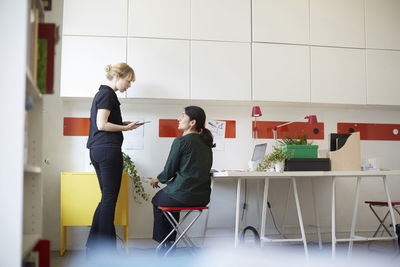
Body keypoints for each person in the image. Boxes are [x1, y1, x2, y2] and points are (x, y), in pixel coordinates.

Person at [86, 63, 141, 253]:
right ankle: (105, 251)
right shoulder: (108, 94)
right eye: (128, 80)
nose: (129, 85)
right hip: (108, 150)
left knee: (106, 199)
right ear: (117, 76)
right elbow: (102, 124)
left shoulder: (103, 94)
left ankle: (94, 247)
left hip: (98, 150)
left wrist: (123, 124)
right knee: (109, 199)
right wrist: (124, 128)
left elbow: (104, 122)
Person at [150, 106, 215, 251]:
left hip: (183, 194)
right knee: (171, 201)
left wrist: (156, 179)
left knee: (157, 199)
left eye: (182, 116)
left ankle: (165, 244)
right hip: (203, 197)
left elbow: (168, 172)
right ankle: (170, 242)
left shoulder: (181, 141)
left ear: (192, 122)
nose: (178, 119)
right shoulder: (206, 144)